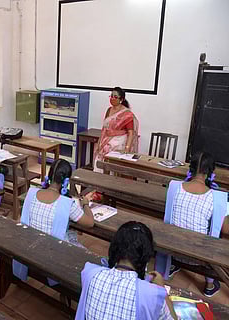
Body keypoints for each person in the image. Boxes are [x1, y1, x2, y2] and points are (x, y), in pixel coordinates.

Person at [156, 152, 229, 297]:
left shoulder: (174, 187)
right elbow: (226, 230)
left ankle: (171, 265)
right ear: (209, 173)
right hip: (200, 258)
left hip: (172, 248)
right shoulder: (216, 198)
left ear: (191, 168)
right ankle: (209, 284)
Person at [13, 159, 95, 285]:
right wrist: (85, 205)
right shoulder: (68, 204)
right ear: (66, 181)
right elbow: (90, 223)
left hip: (30, 249)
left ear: (49, 176)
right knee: (87, 257)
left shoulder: (31, 193)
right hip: (52, 256)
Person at [76, 221, 177, 320]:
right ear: (146, 257)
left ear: (114, 248)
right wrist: (161, 288)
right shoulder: (152, 294)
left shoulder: (90, 273)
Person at [94, 87, 139, 173]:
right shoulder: (109, 110)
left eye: (115, 97)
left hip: (118, 142)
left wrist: (127, 148)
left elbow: (130, 133)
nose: (112, 98)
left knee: (111, 165)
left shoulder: (126, 114)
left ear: (121, 99)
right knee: (99, 161)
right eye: (111, 96)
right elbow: (105, 127)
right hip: (106, 140)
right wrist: (100, 142)